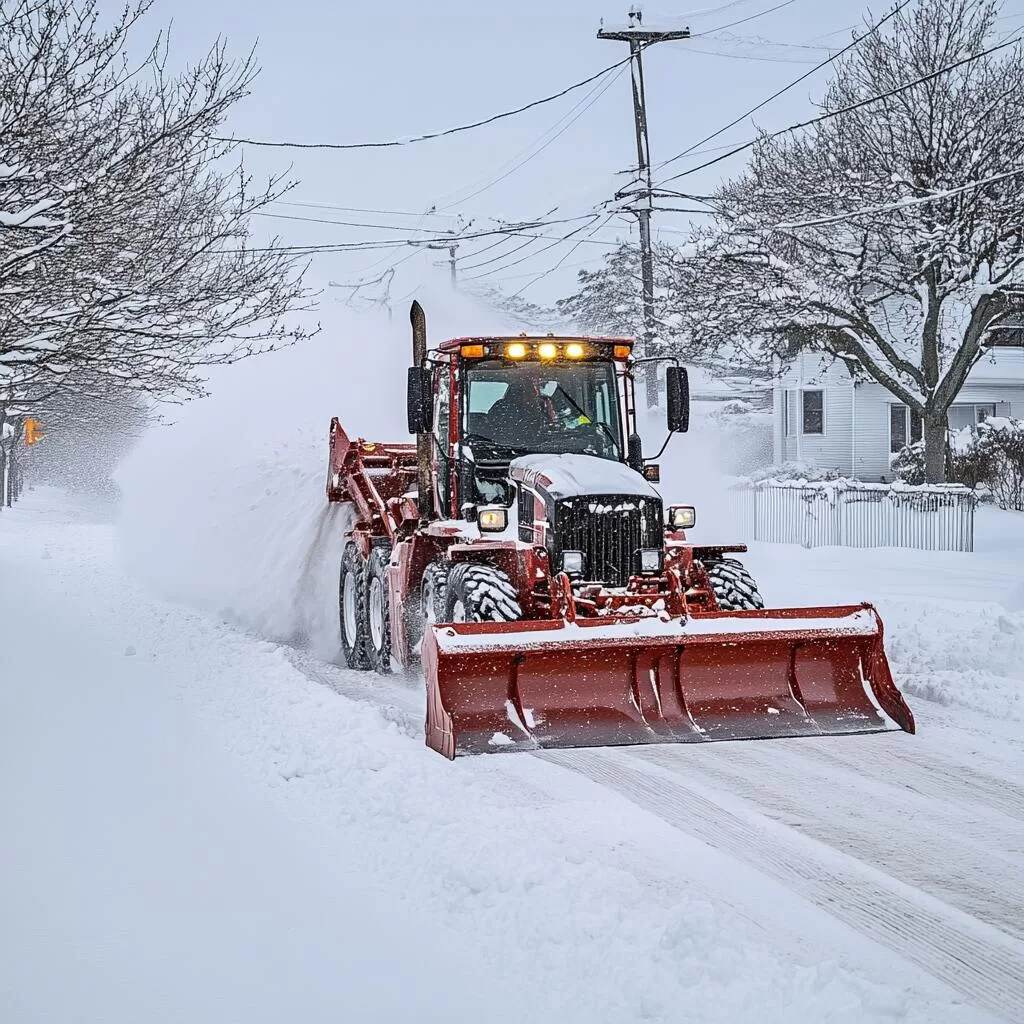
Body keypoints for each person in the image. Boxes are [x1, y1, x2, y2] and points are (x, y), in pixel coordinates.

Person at [484, 374, 556, 446]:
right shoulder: (502, 409)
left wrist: (549, 415)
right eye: (531, 391)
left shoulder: (540, 411)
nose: (536, 395)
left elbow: (552, 433)